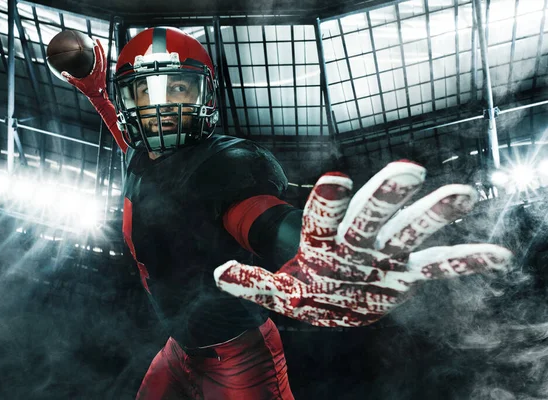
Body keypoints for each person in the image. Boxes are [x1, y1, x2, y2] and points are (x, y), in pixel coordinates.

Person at [61, 27, 512, 399]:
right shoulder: (141, 158)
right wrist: (96, 92)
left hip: (240, 360)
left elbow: (258, 217)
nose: (160, 107)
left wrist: (311, 257)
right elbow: (141, 153)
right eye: (145, 91)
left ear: (205, 96)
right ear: (127, 101)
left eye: (177, 87)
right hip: (179, 350)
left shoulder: (220, 165)